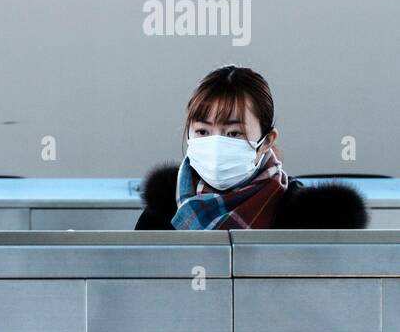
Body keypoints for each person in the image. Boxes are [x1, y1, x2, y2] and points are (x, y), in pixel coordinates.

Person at [135, 66, 367, 230]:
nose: (216, 144)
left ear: (266, 141)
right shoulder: (162, 213)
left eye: (234, 133)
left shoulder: (304, 218)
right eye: (203, 132)